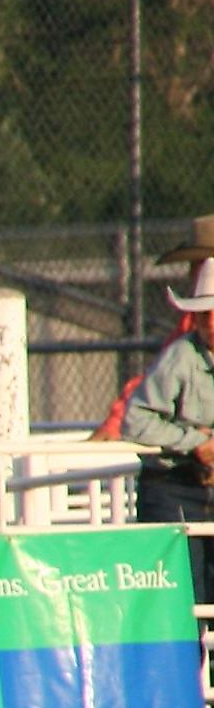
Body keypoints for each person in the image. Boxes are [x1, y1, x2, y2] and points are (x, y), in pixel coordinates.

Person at [118, 222, 214, 609]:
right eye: (205, 313)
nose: (209, 322)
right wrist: (197, 444)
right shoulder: (180, 357)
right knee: (180, 605)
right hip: (179, 487)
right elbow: (134, 419)